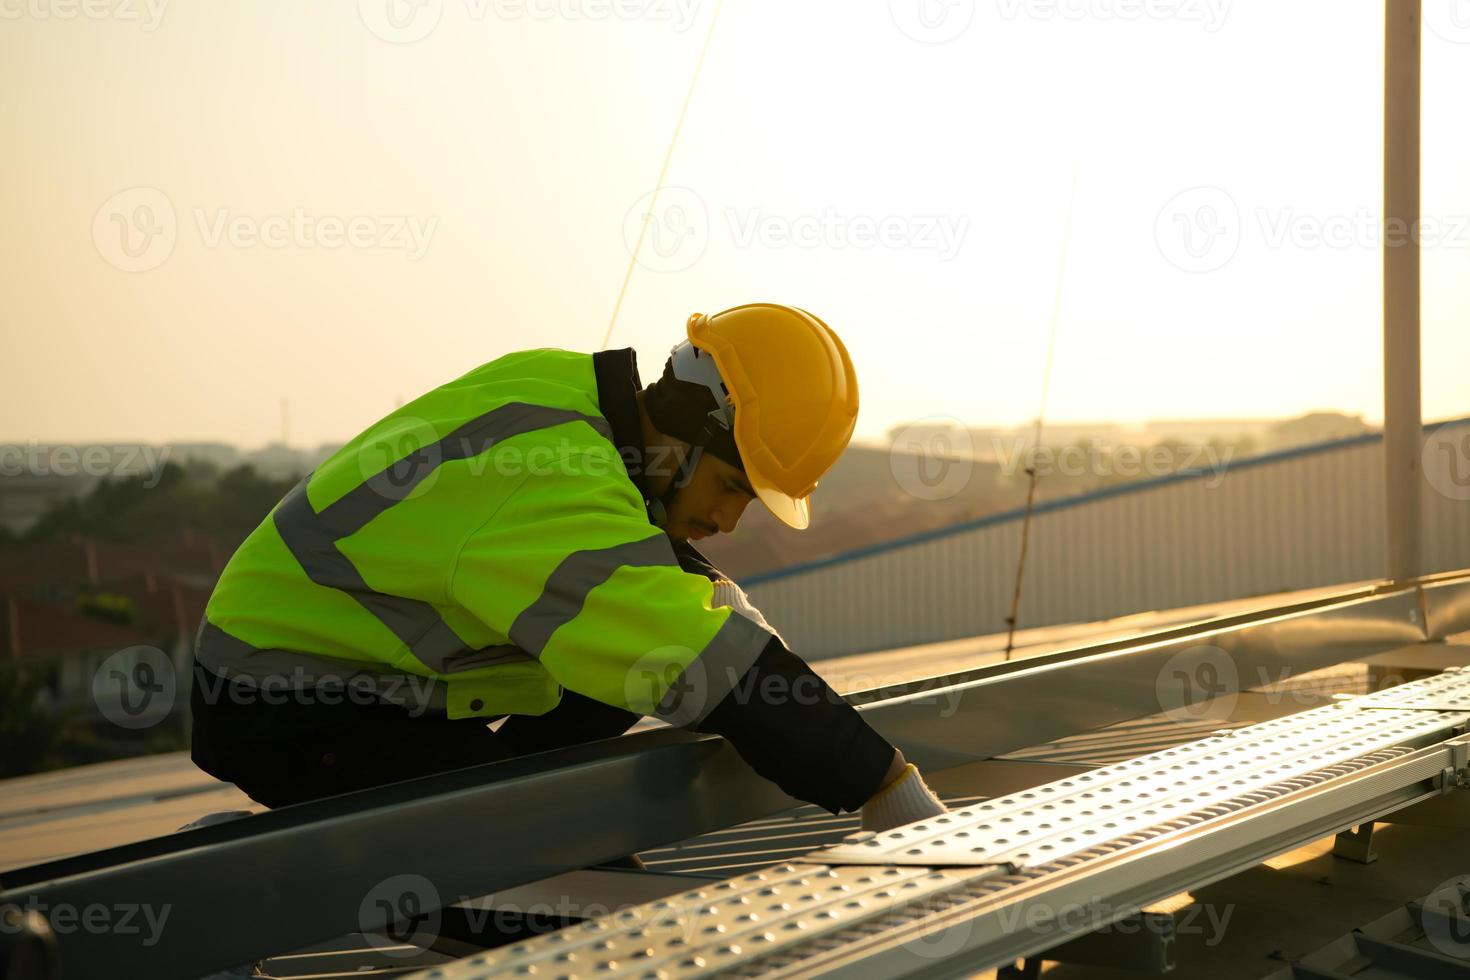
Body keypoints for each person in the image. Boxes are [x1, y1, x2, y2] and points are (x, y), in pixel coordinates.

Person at [188, 303, 946, 832]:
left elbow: (690, 607)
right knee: (531, 895)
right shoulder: (554, 486)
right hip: (289, 701)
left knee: (639, 650)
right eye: (730, 487)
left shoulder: (565, 390)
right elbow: (700, 653)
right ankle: (227, 889)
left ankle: (501, 812)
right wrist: (885, 787)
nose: (726, 522)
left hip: (330, 666)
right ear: (681, 437)